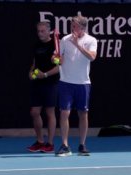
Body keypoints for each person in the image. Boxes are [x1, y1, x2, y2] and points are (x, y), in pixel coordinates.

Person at [54, 15, 97, 157]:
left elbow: (92, 57)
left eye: (75, 26)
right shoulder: (65, 40)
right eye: (72, 25)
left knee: (83, 114)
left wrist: (77, 44)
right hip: (66, 82)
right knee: (64, 113)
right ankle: (65, 145)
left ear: (83, 28)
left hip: (83, 83)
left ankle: (82, 144)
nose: (72, 28)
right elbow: (59, 58)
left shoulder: (91, 40)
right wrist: (55, 58)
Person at [27, 22, 59, 153]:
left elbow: (59, 67)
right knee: (34, 112)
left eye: (43, 31)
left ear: (49, 31)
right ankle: (40, 141)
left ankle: (50, 144)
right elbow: (34, 63)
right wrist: (30, 72)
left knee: (50, 113)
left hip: (51, 82)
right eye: (38, 31)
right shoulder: (36, 45)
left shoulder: (55, 45)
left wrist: (45, 75)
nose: (40, 33)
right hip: (37, 82)